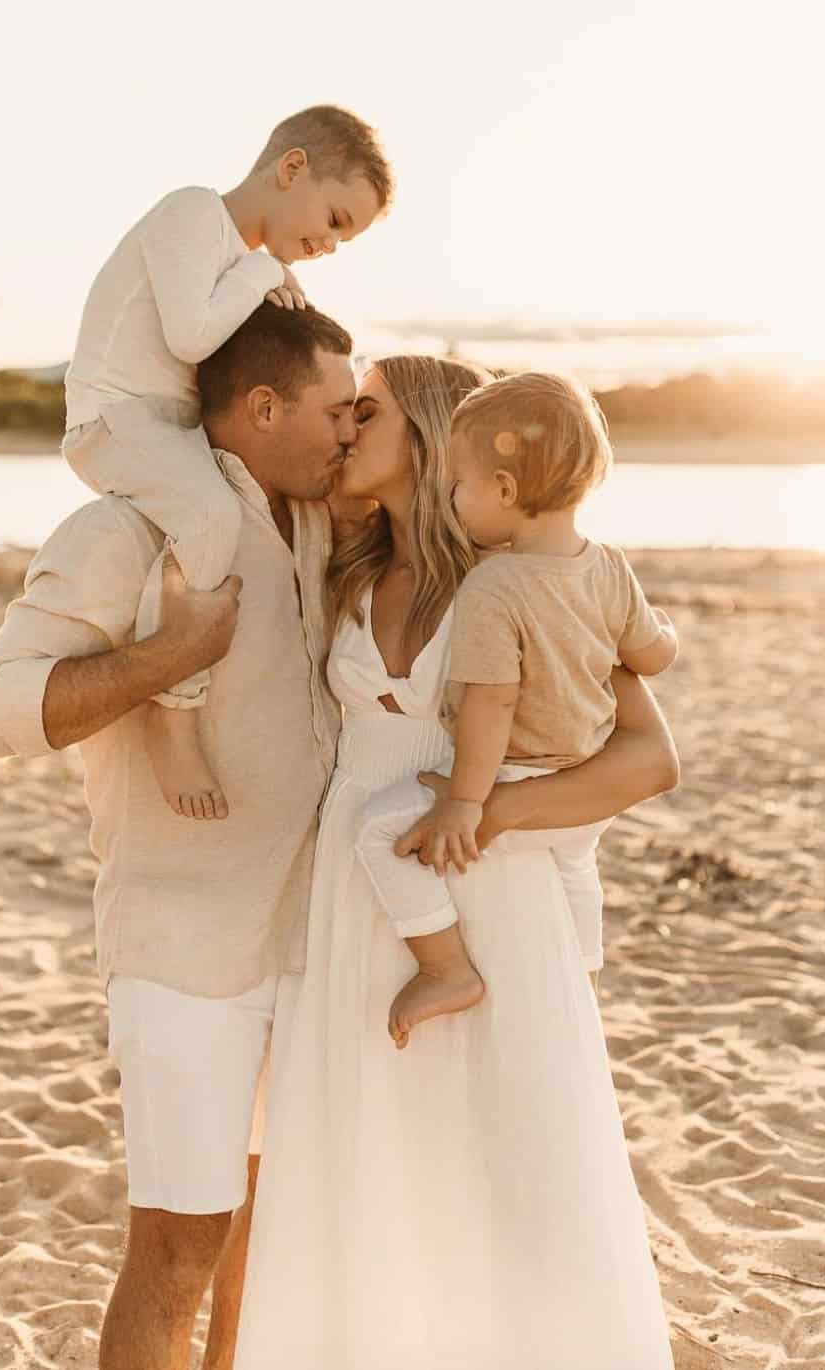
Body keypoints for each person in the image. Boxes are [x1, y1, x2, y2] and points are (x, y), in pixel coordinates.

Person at [232, 355, 678, 1369]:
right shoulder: (341, 567)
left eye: (369, 410)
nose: (345, 426)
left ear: (433, 437)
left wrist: (485, 812)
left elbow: (650, 758)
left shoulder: (522, 580)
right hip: (355, 898)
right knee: (368, 1159)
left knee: (506, 1157)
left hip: (486, 886)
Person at [0, 304, 357, 1370]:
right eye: (335, 409)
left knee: (267, 1238)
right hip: (188, 953)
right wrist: (166, 653)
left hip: (315, 947)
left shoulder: (323, 526)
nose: (350, 430)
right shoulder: (120, 531)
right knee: (182, 1244)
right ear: (263, 406)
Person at [62, 105, 391, 821]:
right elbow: (190, 336)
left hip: (173, 429)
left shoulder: (246, 265)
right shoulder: (191, 213)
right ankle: (176, 711)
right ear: (292, 168)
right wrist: (264, 270)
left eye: (345, 237)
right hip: (115, 417)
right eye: (335, 219)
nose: (331, 245)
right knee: (210, 513)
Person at [356, 371, 679, 1047]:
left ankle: (444, 967)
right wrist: (668, 635)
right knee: (576, 873)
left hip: (522, 780)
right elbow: (650, 654)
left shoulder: (494, 584)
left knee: (379, 834)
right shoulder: (609, 566)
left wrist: (468, 805)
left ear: (503, 490)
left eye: (461, 484)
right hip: (582, 792)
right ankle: (585, 976)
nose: (454, 497)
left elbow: (492, 704)